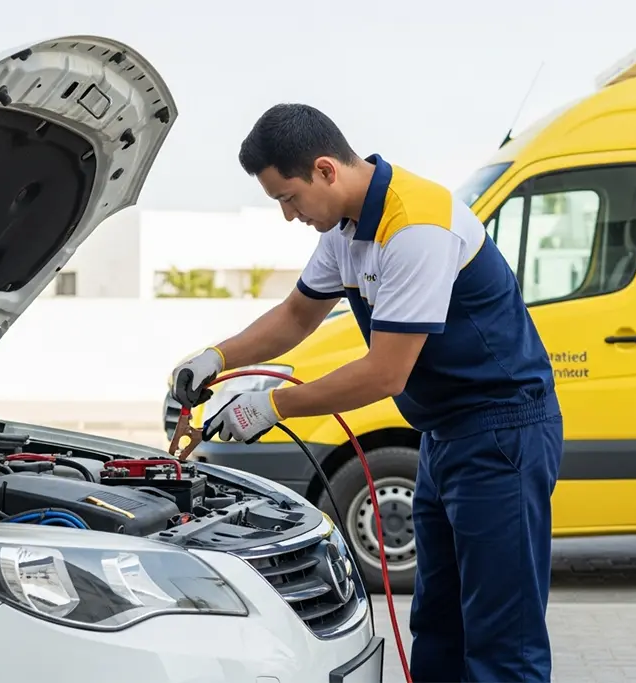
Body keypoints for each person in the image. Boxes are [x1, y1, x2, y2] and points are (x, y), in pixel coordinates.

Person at [170, 103, 563, 682]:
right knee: (438, 626)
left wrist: (271, 405)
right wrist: (217, 357)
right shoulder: (346, 228)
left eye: (289, 198)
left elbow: (385, 374)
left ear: (325, 170)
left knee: (502, 637)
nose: (287, 215)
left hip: (502, 431)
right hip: (444, 434)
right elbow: (298, 316)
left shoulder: (415, 226)